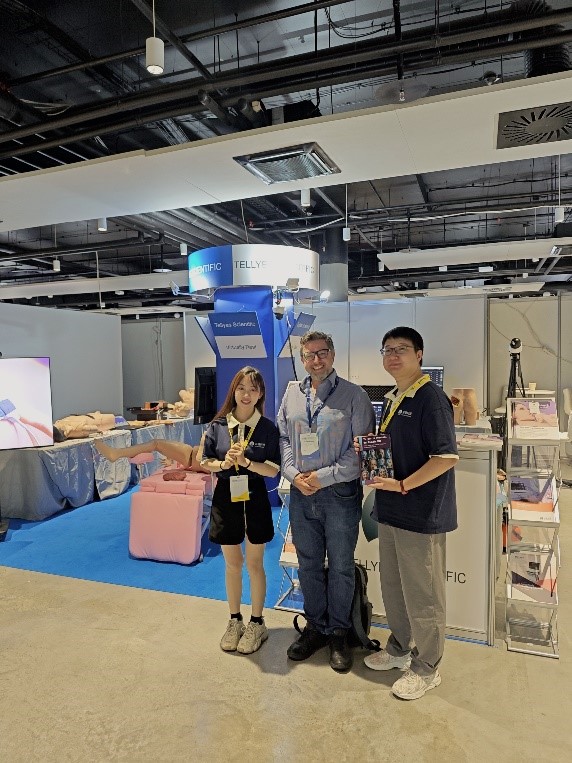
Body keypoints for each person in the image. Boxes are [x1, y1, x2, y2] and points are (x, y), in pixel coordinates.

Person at [360, 326, 458, 701]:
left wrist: (402, 485)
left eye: (401, 349)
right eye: (387, 350)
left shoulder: (431, 398)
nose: (393, 356)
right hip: (390, 510)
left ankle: (428, 666)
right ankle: (400, 648)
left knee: (424, 594)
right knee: (394, 586)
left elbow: (445, 457)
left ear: (419, 355)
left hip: (420, 513)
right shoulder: (393, 398)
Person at [278, 331, 375, 673]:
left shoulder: (354, 396)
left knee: (341, 565)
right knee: (307, 564)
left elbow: (362, 450)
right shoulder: (292, 393)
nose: (316, 360)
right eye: (309, 355)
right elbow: (283, 438)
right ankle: (316, 627)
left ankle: (339, 632)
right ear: (302, 359)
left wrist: (324, 477)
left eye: (322, 353)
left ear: (332, 355)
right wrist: (293, 474)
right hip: (301, 493)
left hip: (339, 494)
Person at [200, 366, 280, 655]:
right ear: (233, 391)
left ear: (260, 394)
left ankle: (257, 622)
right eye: (241, 388)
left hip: (255, 497)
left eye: (253, 389)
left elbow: (273, 469)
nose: (246, 394)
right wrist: (223, 464)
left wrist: (247, 463)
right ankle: (235, 620)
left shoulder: (268, 428)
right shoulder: (218, 426)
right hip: (226, 497)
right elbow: (205, 461)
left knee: (255, 564)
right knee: (232, 564)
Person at [94, 434, 206, 472]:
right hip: (192, 456)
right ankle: (118, 453)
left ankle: (117, 454)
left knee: (155, 444)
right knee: (155, 444)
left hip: (192, 457)